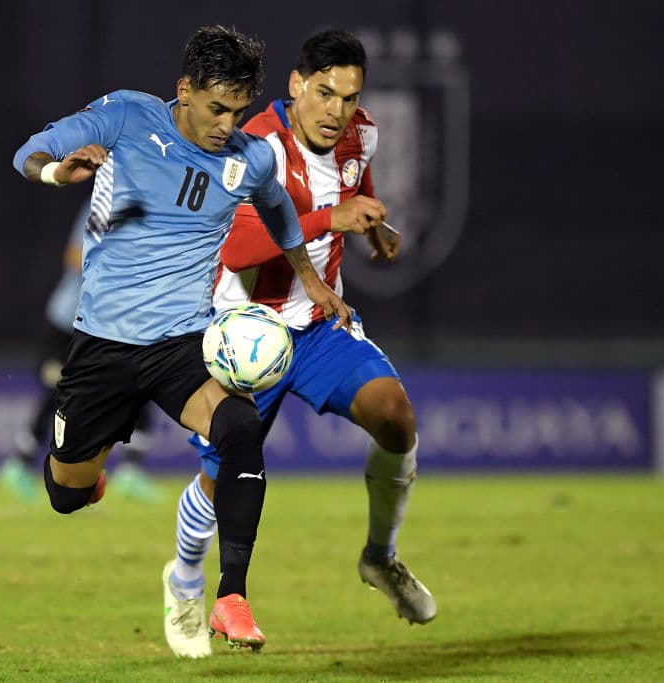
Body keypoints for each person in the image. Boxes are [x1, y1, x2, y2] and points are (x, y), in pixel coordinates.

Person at [11, 25, 357, 652]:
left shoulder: (247, 158)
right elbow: (29, 152)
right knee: (65, 493)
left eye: (239, 111)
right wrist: (57, 173)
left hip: (183, 345)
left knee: (240, 429)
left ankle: (230, 597)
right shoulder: (125, 116)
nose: (227, 124)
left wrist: (312, 281)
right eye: (216, 108)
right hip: (102, 346)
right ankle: (90, 476)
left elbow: (278, 211)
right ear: (184, 90)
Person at [161, 29, 436, 659]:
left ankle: (380, 557)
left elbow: (350, 188)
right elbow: (237, 249)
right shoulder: (254, 144)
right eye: (323, 92)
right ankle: (184, 579)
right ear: (295, 85)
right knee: (218, 478)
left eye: (349, 95)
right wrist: (328, 220)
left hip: (316, 326)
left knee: (396, 417)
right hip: (245, 336)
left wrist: (372, 230)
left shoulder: (360, 134)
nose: (336, 109)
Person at [0, 198, 161, 504]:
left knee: (141, 386)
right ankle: (18, 464)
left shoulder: (159, 205)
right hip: (71, 322)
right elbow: (74, 257)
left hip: (118, 322)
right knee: (59, 391)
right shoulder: (106, 202)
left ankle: (130, 471)